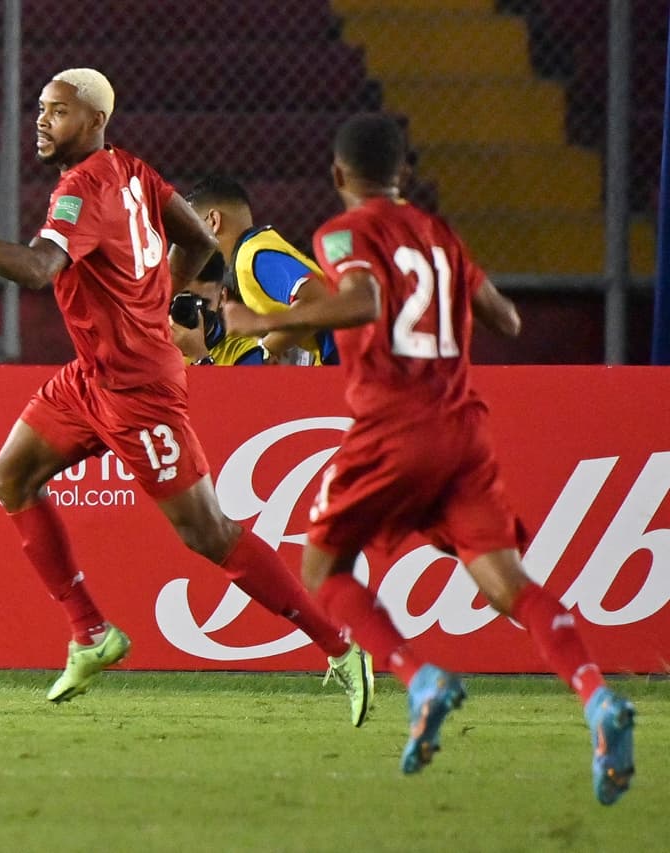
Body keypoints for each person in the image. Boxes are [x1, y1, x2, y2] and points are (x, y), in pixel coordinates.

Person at [0, 68, 373, 723]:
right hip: (91, 376)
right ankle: (91, 631)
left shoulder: (80, 191)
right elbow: (201, 239)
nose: (41, 120)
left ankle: (339, 644)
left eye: (57, 112)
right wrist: (158, 304)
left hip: (140, 390)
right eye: (40, 108)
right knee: (12, 476)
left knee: (208, 532)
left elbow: (39, 270)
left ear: (94, 121)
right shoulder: (132, 170)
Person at [221, 112, 636, 803]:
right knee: (507, 584)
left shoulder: (342, 233)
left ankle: (419, 677)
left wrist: (261, 321)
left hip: (392, 425)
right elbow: (506, 318)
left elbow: (360, 301)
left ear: (338, 175)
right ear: (403, 173)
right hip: (464, 430)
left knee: (321, 568)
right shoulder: (443, 237)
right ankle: (595, 697)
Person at [179, 176, 337, 367]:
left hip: (345, 358)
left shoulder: (252, 257)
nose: (191, 241)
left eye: (193, 228)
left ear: (213, 220)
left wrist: (267, 348)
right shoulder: (260, 247)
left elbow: (317, 301)